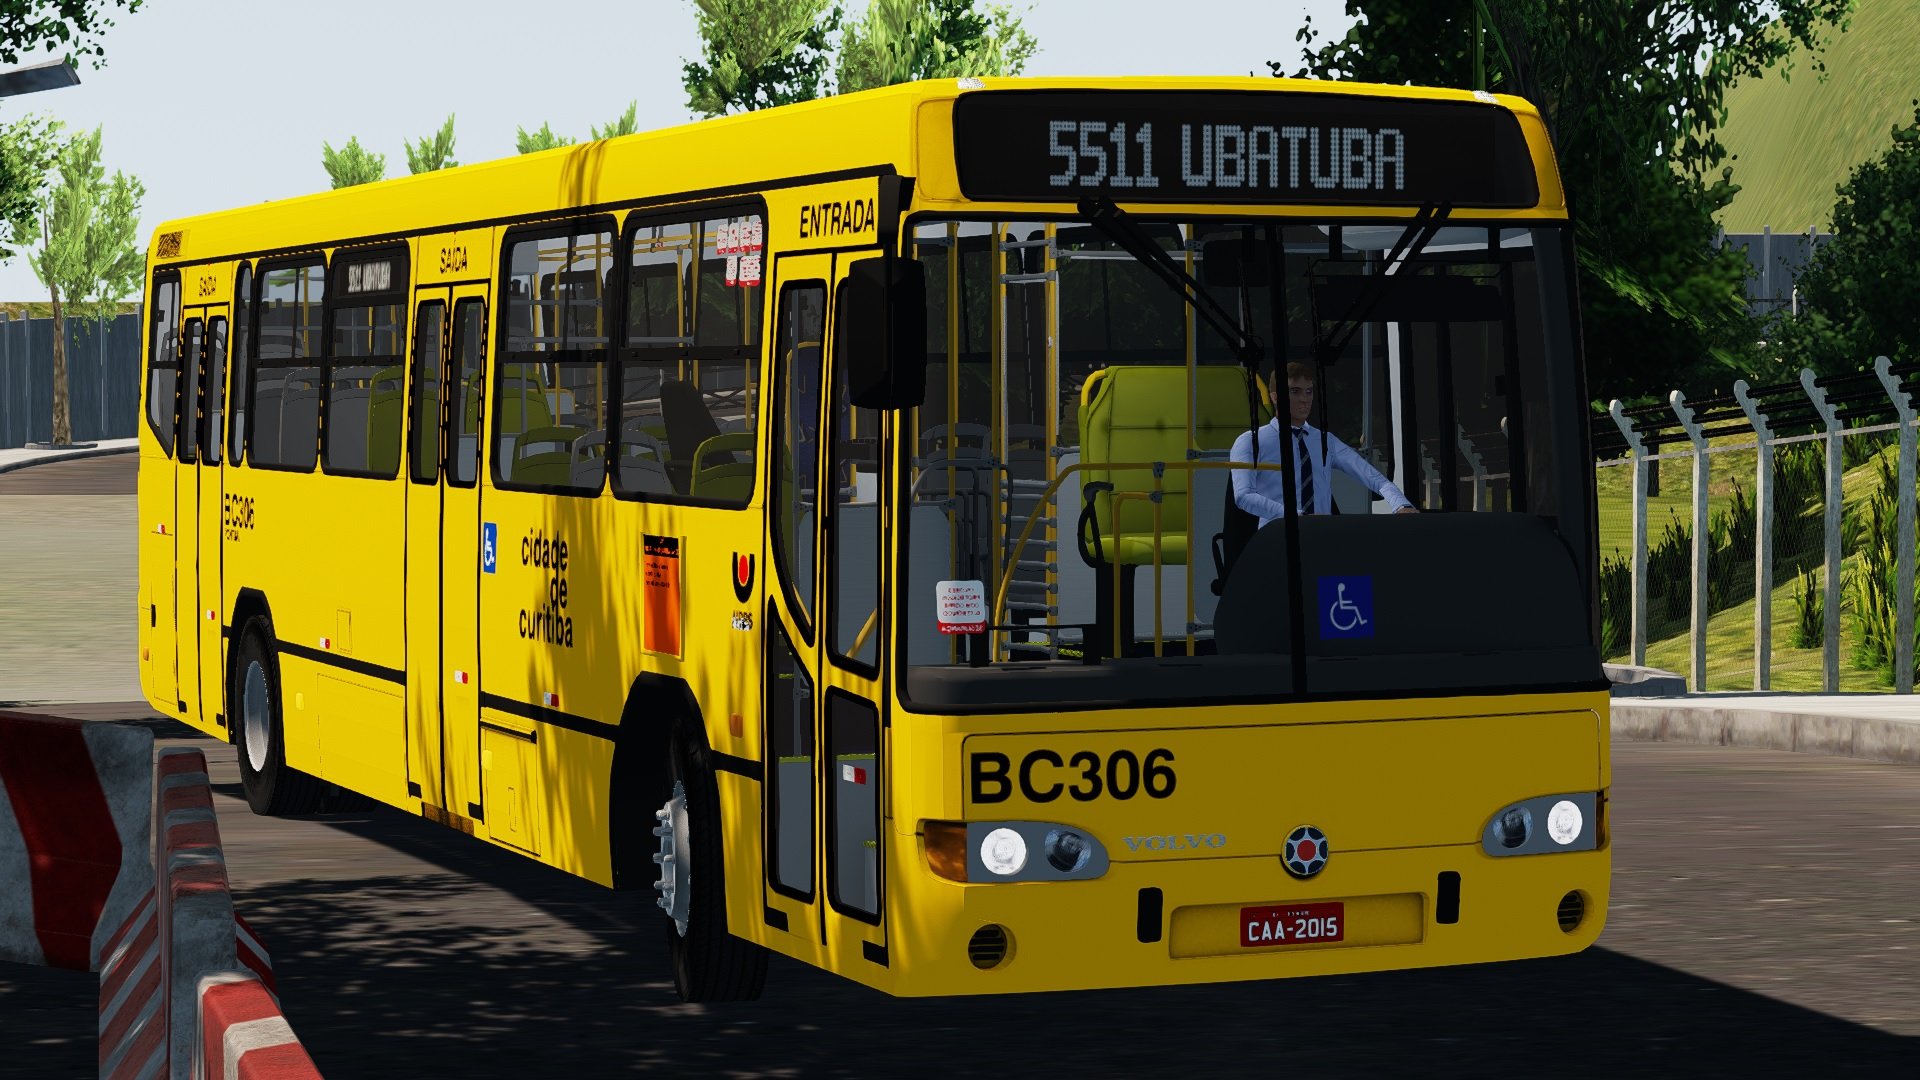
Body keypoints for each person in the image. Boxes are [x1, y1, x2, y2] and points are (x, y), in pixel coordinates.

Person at [1229, 362, 1416, 527]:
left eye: (1309, 391)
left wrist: (1400, 504)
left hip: (1321, 535)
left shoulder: (1326, 441)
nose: (1305, 399)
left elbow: (1373, 477)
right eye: (1295, 391)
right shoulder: (1251, 441)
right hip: (1277, 536)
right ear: (1275, 397)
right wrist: (1298, 517)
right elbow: (1243, 496)